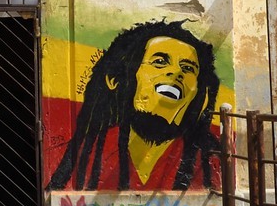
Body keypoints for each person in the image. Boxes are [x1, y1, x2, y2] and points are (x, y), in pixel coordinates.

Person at [49, 20, 220, 192]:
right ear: (115, 79)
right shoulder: (87, 152)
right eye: (159, 61)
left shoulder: (210, 160)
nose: (176, 73)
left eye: (188, 68)